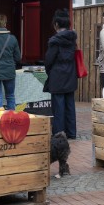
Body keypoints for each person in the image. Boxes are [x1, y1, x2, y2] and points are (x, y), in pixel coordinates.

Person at [43, 8, 78, 140]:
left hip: (57, 76)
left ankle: (58, 133)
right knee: (70, 105)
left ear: (56, 24)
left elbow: (49, 60)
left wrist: (49, 72)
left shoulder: (54, 41)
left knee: (58, 107)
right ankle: (72, 132)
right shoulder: (72, 39)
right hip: (70, 75)